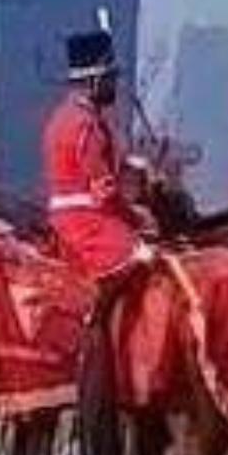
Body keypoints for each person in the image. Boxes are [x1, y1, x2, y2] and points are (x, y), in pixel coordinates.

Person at [43, 25, 153, 280]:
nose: (114, 85)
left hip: (62, 220)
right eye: (110, 78)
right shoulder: (86, 124)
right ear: (94, 81)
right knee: (146, 259)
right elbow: (105, 192)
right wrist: (136, 217)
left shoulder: (59, 117)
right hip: (86, 224)